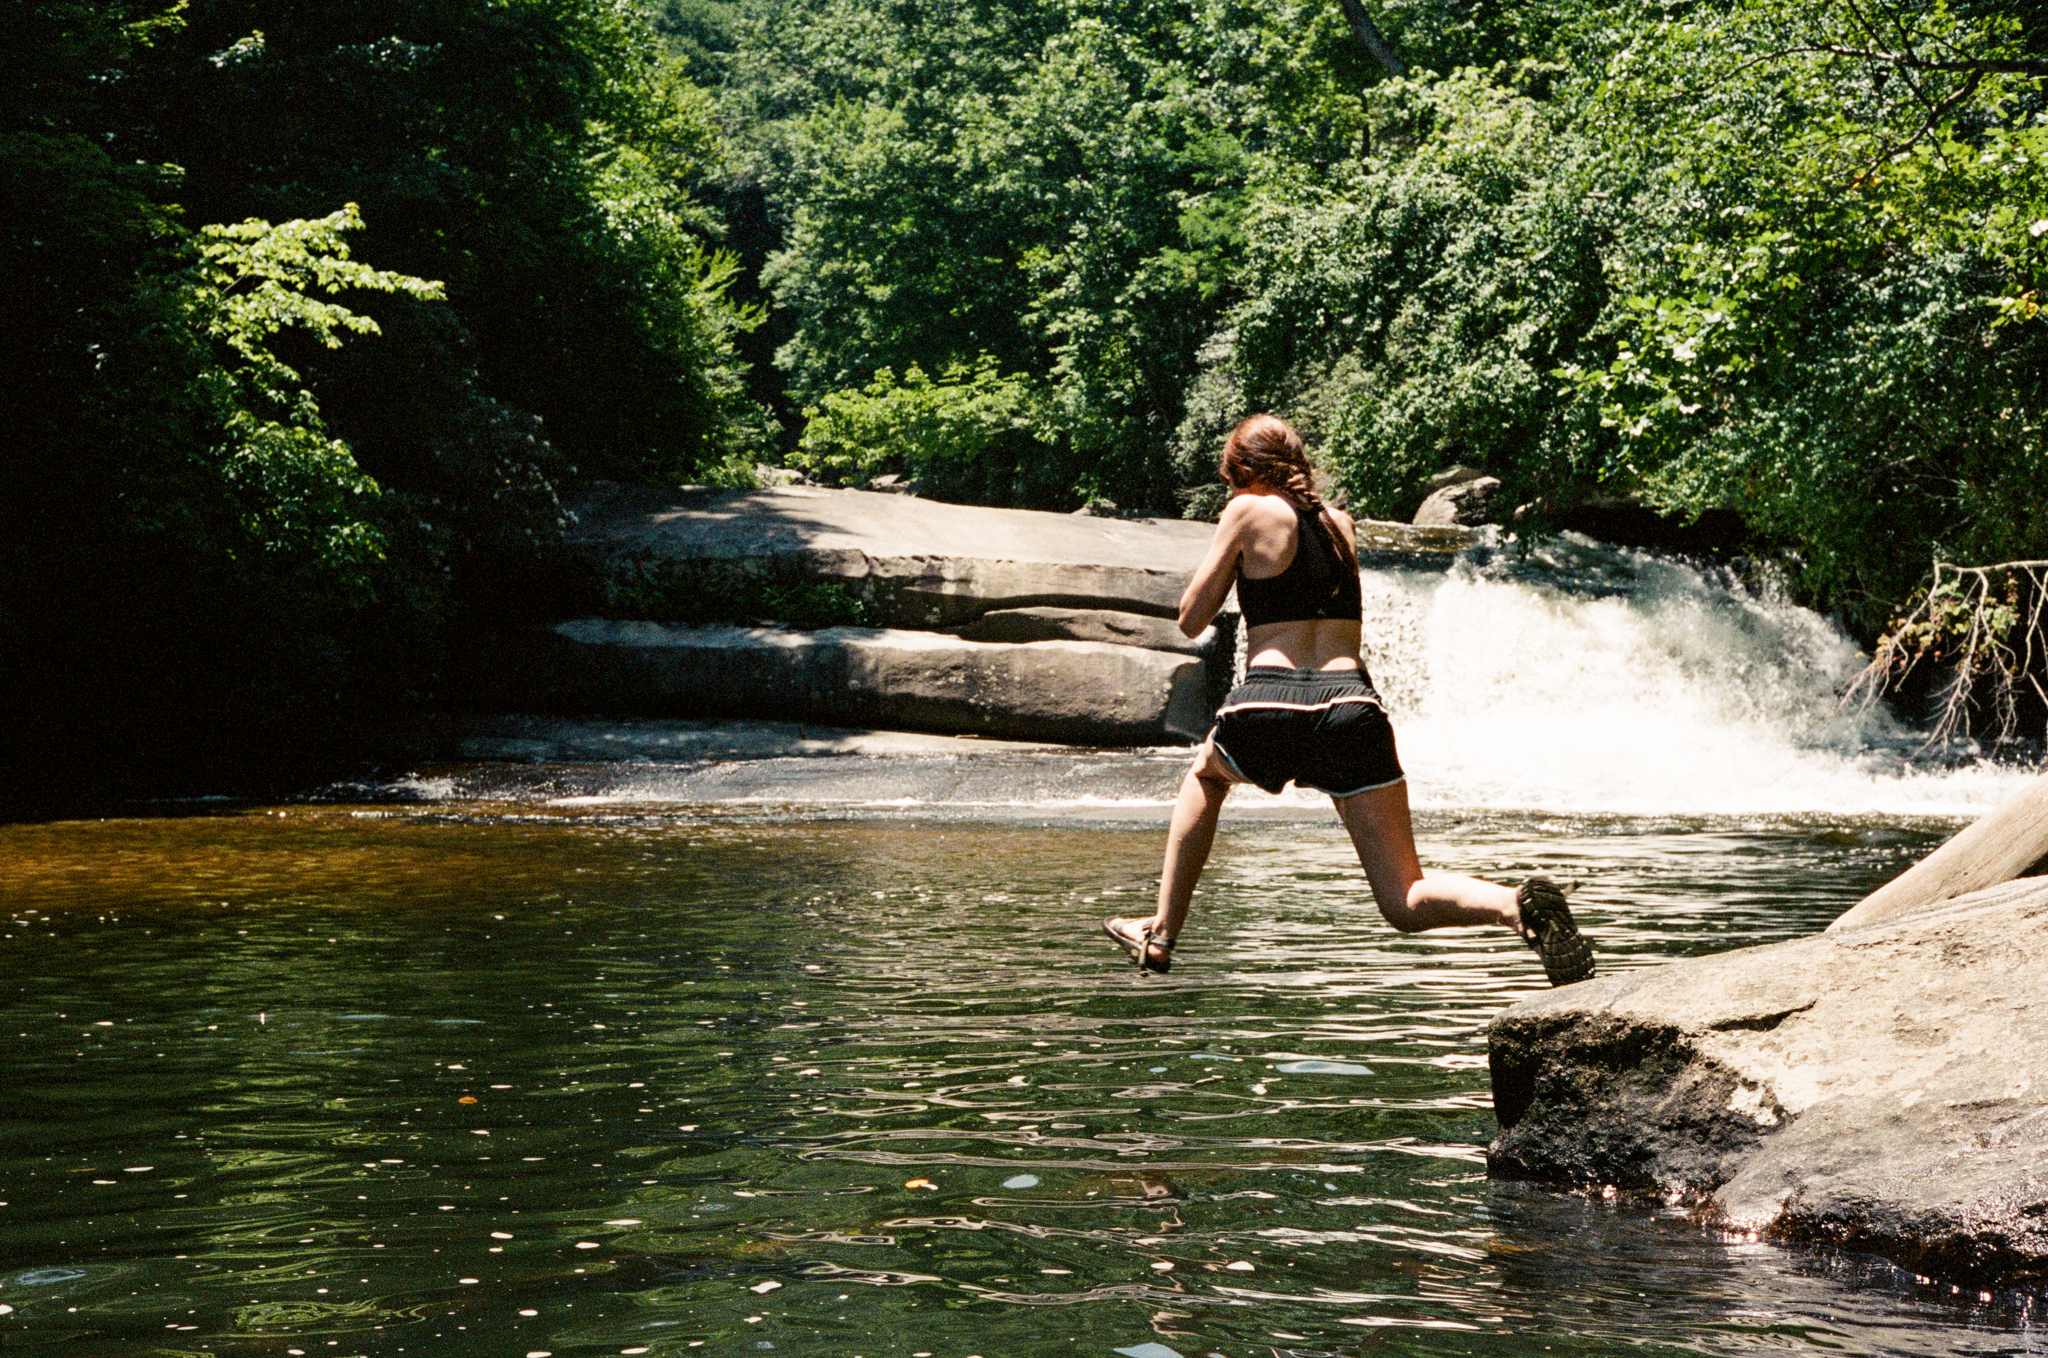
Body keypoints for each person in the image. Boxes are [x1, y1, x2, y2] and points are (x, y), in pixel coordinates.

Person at [1102, 414, 1593, 985]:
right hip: (1352, 707)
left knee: (1207, 775)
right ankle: (1515, 905)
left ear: (1242, 473)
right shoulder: (1340, 523)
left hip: (1272, 700)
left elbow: (1191, 620)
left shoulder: (1246, 511)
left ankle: (1161, 933)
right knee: (1404, 899)